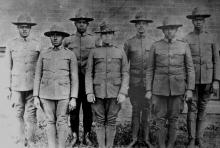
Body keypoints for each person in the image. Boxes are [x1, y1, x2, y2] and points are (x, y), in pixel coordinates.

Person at [145, 17, 195, 148]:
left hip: (178, 89)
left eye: (172, 29)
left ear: (177, 30)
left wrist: (189, 89)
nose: (169, 32)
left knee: (174, 119)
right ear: (163, 31)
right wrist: (149, 90)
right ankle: (161, 146)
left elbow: (190, 69)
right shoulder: (155, 46)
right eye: (166, 29)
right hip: (159, 89)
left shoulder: (184, 46)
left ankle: (171, 145)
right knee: (160, 119)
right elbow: (150, 69)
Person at [33, 24, 79, 148]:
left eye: (58, 35)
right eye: (52, 35)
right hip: (46, 94)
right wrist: (36, 96)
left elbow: (74, 78)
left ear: (63, 37)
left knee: (62, 121)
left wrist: (73, 98)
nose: (55, 38)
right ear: (49, 37)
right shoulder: (44, 54)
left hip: (63, 94)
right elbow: (37, 75)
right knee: (49, 121)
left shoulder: (70, 55)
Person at [85, 22, 129, 148]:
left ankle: (109, 146)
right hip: (97, 92)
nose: (107, 37)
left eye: (109, 34)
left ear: (113, 35)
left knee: (111, 120)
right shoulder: (94, 52)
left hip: (115, 93)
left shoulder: (120, 52)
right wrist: (89, 92)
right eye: (104, 34)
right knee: (99, 121)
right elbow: (89, 73)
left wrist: (122, 92)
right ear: (101, 36)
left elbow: (125, 73)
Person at [183, 7, 220, 148]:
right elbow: (185, 61)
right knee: (192, 109)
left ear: (204, 22)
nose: (198, 23)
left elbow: (217, 59)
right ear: (192, 22)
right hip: (192, 81)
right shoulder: (187, 38)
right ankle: (191, 138)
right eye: (196, 20)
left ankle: (200, 138)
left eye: (201, 20)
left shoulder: (211, 38)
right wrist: (187, 83)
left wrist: (216, 80)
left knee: (202, 109)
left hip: (208, 79)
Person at [4, 13, 39, 148]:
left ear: (30, 29)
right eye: (22, 27)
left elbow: (40, 67)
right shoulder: (11, 44)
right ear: (17, 28)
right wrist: (7, 88)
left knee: (31, 115)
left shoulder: (37, 44)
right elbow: (7, 67)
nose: (24, 29)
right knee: (18, 113)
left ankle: (31, 140)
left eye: (27, 27)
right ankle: (20, 140)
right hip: (17, 86)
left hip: (32, 86)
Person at [63, 9, 95, 146]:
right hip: (73, 81)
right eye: (79, 22)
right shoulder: (68, 40)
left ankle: (87, 136)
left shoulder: (93, 40)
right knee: (73, 110)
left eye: (84, 23)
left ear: (87, 25)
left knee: (88, 110)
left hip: (88, 81)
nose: (81, 25)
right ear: (75, 24)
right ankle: (75, 136)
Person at [124, 11, 154, 147]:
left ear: (147, 26)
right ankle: (134, 138)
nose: (141, 26)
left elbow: (155, 66)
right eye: (138, 24)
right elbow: (124, 66)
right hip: (134, 84)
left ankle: (146, 138)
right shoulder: (129, 43)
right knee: (135, 110)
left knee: (147, 111)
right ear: (135, 26)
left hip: (148, 85)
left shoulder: (153, 43)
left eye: (144, 24)